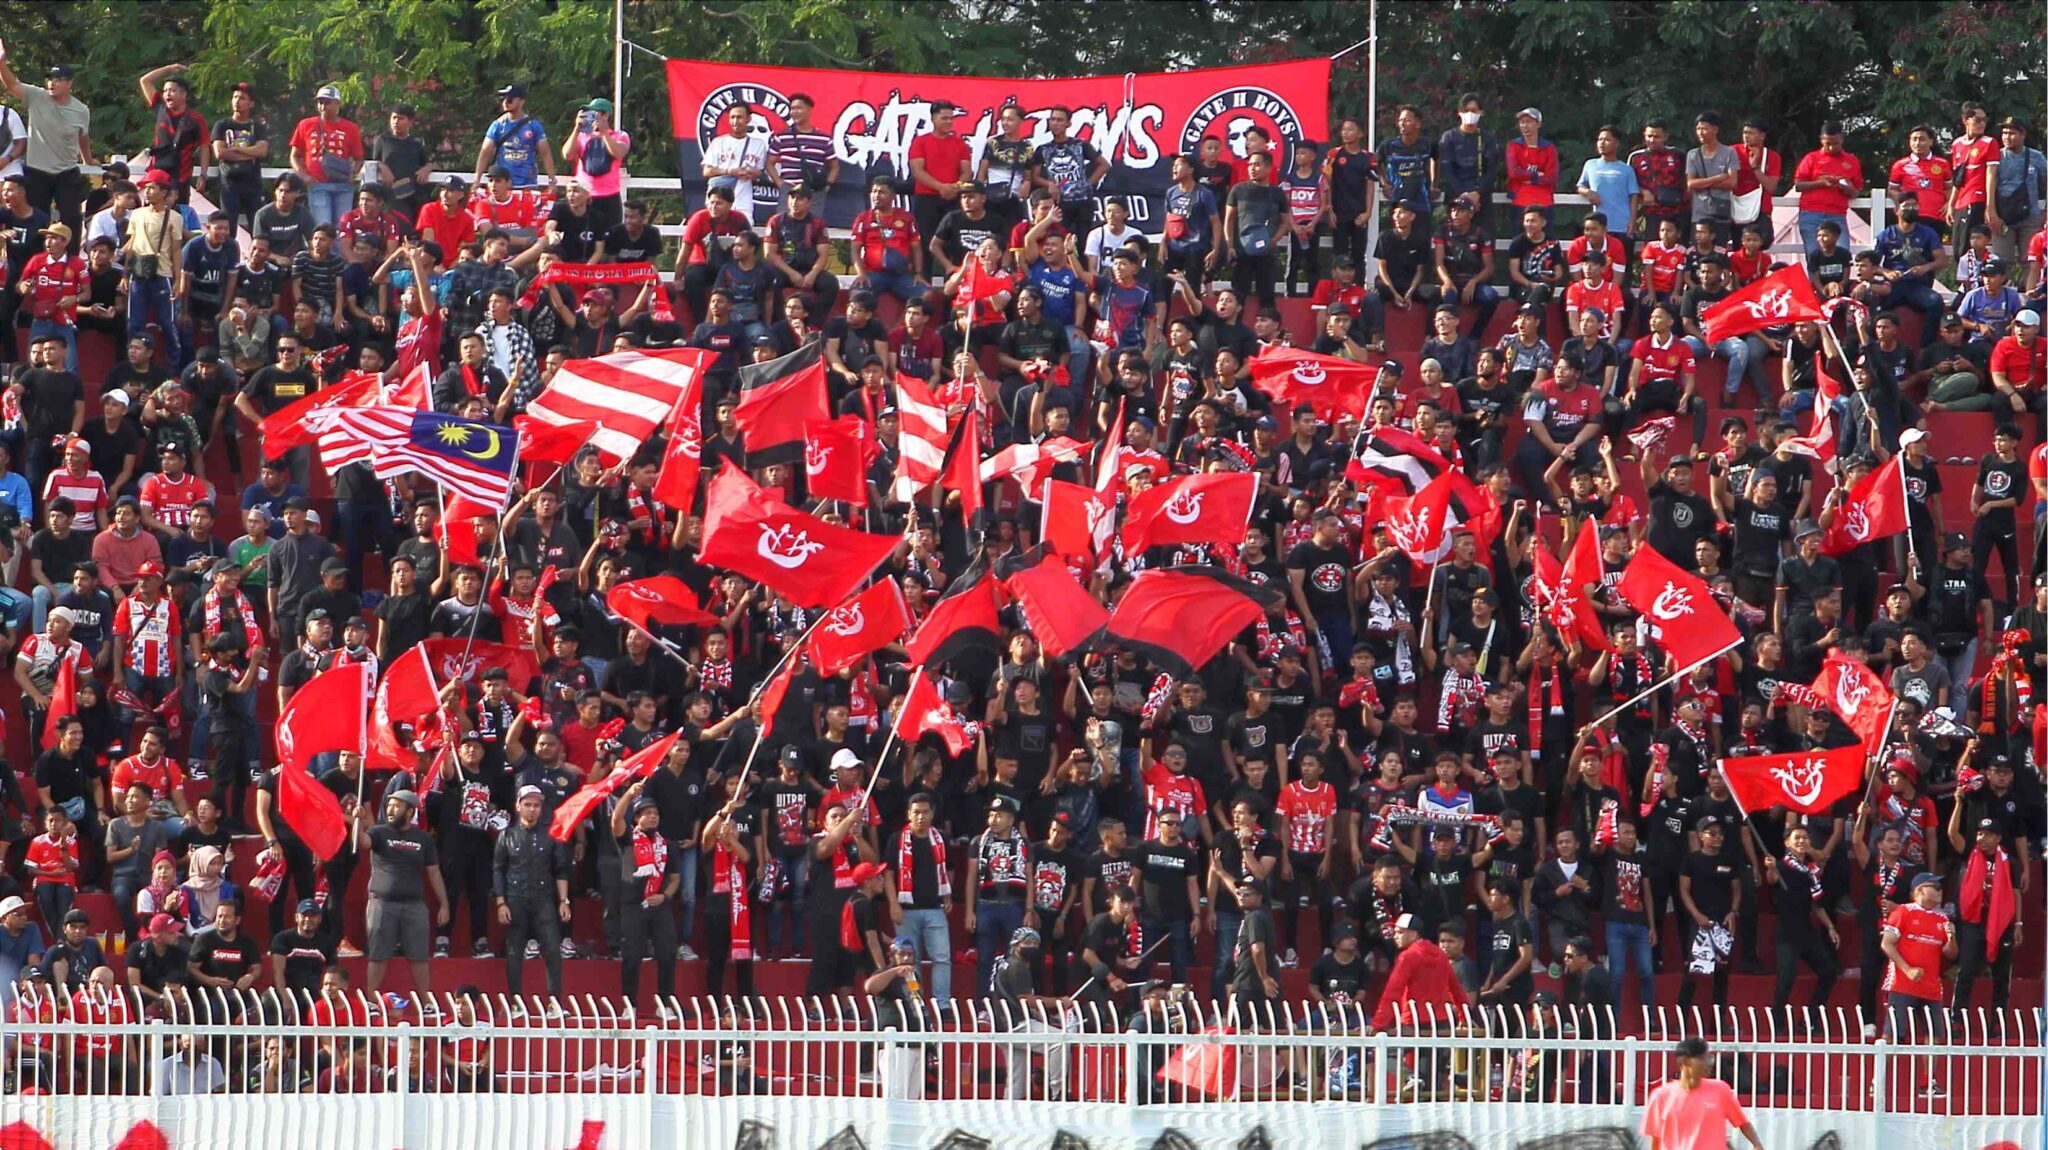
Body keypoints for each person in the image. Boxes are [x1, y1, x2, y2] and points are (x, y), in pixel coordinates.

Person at [351, 789, 448, 997]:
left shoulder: (423, 838)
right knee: (378, 955)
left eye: (397, 806)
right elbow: (363, 843)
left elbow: (434, 872)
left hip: (414, 905)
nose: (391, 810)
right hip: (382, 903)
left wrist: (444, 903)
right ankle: (372, 1001)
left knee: (419, 956)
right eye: (389, 805)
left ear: (410, 810)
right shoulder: (379, 832)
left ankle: (425, 1002)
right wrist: (357, 823)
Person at [1640, 1037, 1765, 1150]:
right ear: (1685, 1062)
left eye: (1710, 1058)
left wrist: (1757, 1144)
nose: (1709, 1063)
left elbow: (1743, 1123)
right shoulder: (1661, 1096)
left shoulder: (1721, 1090)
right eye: (1704, 1058)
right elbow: (1656, 1138)